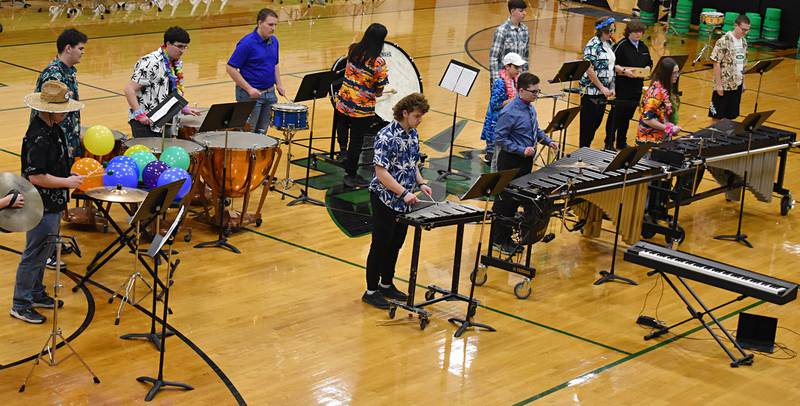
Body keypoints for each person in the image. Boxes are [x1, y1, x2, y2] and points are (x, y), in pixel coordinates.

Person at [12, 81, 85, 324]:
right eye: (63, 108)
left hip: (51, 203)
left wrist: (68, 177)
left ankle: (35, 293)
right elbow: (36, 176)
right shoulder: (38, 137)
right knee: (34, 253)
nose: (66, 112)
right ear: (51, 110)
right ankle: (20, 303)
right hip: (38, 204)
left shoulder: (53, 129)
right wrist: (67, 183)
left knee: (44, 250)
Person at [362, 93, 431, 310]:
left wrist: (420, 183)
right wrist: (403, 193)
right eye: (417, 116)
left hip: (404, 199)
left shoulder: (413, 134)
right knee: (380, 244)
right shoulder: (386, 136)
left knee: (395, 244)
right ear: (405, 113)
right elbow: (381, 172)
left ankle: (386, 284)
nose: (420, 120)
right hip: (385, 198)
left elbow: (413, 164)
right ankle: (371, 291)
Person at [32, 28, 87, 271]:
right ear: (68, 48)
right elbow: (50, 112)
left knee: (59, 198)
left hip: (63, 142)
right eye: (81, 48)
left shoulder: (69, 71)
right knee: (49, 199)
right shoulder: (53, 75)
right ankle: (45, 251)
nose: (82, 53)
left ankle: (52, 242)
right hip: (51, 144)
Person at [490, 73, 559, 254]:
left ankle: (508, 237)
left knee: (517, 200)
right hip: (510, 161)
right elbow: (499, 138)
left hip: (525, 162)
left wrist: (547, 141)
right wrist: (521, 150)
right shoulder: (509, 112)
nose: (537, 95)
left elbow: (535, 130)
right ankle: (498, 240)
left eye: (538, 91)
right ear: (521, 91)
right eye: (534, 91)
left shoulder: (529, 108)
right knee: (505, 202)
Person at [334, 23, 389, 189]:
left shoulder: (353, 49)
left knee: (342, 126)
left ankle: (342, 153)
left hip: (344, 100)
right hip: (361, 108)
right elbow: (379, 89)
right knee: (357, 141)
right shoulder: (378, 62)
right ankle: (351, 174)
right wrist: (375, 92)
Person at [124, 26, 201, 138]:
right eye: (179, 46)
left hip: (164, 121)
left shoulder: (175, 62)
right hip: (146, 123)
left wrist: (183, 108)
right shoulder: (151, 62)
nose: (182, 51)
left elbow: (171, 88)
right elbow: (129, 89)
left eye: (185, 47)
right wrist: (139, 115)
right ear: (168, 44)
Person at [226, 8, 286, 134]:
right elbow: (230, 68)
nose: (273, 28)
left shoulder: (274, 41)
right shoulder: (246, 44)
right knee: (248, 133)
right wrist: (249, 89)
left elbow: (274, 64)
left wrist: (279, 84)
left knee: (262, 132)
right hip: (250, 96)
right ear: (259, 23)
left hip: (270, 94)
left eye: (275, 25)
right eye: (270, 24)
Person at [604, 20, 651, 150]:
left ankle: (621, 142)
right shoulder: (621, 45)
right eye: (636, 32)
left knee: (627, 116)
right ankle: (609, 143)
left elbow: (649, 62)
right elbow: (612, 63)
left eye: (641, 32)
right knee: (616, 115)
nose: (639, 34)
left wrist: (647, 67)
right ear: (629, 32)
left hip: (636, 87)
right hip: (622, 86)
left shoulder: (643, 46)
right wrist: (624, 71)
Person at [481, 52, 525, 166]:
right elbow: (495, 104)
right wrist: (515, 100)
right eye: (516, 67)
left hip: (507, 121)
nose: (519, 70)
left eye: (519, 67)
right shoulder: (500, 83)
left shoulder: (515, 81)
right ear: (507, 67)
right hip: (496, 123)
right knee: (494, 157)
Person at [579, 16, 617, 148]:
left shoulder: (610, 44)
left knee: (597, 122)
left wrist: (612, 86)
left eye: (612, 31)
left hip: (604, 91)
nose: (610, 34)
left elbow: (611, 67)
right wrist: (602, 88)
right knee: (587, 126)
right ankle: (582, 152)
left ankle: (586, 150)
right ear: (601, 31)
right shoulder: (592, 45)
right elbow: (588, 69)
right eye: (608, 32)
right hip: (591, 91)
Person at [709, 14, 750, 124]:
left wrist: (743, 82)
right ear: (736, 25)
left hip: (737, 84)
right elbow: (716, 62)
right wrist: (718, 84)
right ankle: (712, 138)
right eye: (743, 29)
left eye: (747, 30)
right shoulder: (724, 41)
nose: (745, 32)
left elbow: (743, 64)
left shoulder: (744, 42)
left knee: (730, 116)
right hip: (724, 85)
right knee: (717, 116)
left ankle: (724, 139)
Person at [637, 57, 681, 144]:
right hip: (649, 141)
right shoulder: (654, 94)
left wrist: (671, 128)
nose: (677, 75)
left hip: (662, 138)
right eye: (674, 73)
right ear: (666, 74)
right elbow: (647, 119)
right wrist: (668, 128)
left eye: (677, 72)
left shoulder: (667, 89)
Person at [489, 0, 529, 83]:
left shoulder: (525, 30)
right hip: (503, 79)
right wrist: (496, 80)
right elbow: (494, 57)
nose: (524, 13)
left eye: (525, 10)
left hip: (518, 78)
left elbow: (525, 56)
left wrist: (524, 77)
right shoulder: (502, 31)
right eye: (521, 11)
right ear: (512, 11)